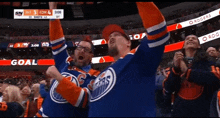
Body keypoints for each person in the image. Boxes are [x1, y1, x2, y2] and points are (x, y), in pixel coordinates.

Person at [46, 2, 170, 117]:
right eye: (109, 37)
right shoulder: (102, 74)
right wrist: (52, 10)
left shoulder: (138, 57)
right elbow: (87, 99)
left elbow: (159, 32)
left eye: (116, 35)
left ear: (128, 42)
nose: (111, 37)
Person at [35, 2, 100, 117]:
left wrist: (58, 77)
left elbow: (82, 100)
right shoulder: (65, 62)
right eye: (79, 47)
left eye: (86, 49)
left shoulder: (95, 76)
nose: (81, 51)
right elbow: (57, 39)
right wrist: (53, 10)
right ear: (74, 51)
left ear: (91, 56)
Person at [163, 34, 220, 117]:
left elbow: (216, 79)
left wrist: (187, 72)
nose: (190, 39)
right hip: (180, 111)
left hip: (203, 110)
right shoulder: (175, 64)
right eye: (187, 39)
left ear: (199, 46)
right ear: (183, 46)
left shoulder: (208, 61)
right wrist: (176, 69)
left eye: (194, 39)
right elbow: (168, 89)